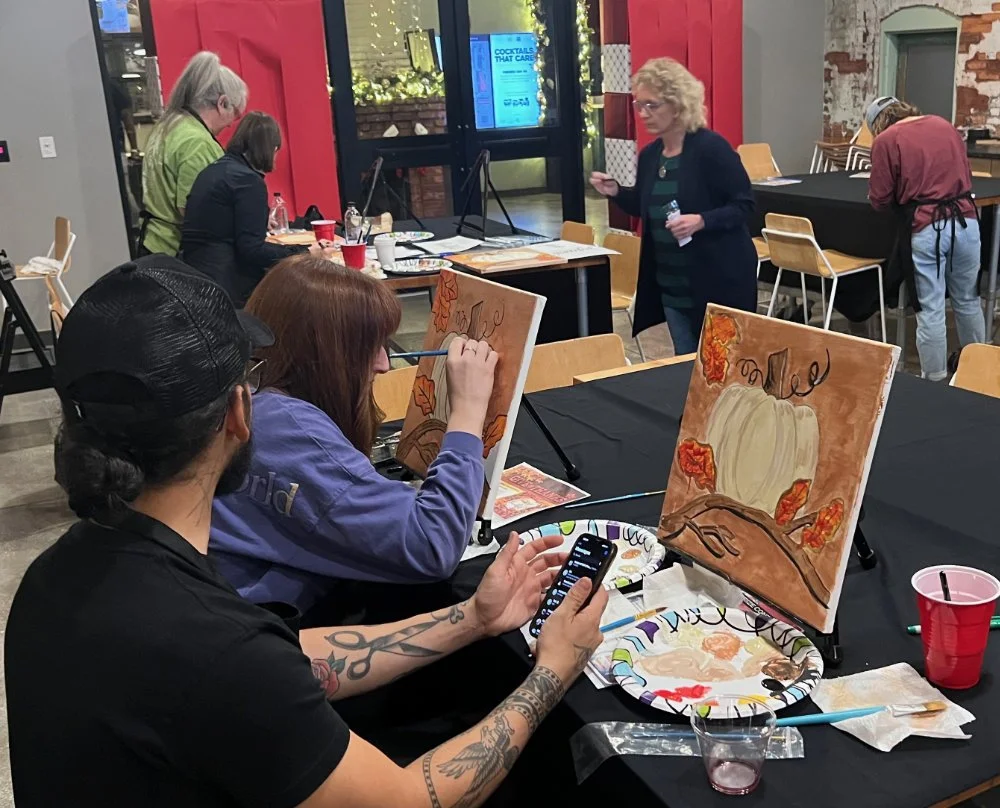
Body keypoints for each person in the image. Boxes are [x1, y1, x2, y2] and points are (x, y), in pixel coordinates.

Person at [4, 255, 606, 807]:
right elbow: (406, 800)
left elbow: (289, 658)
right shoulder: (215, 650)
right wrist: (552, 673)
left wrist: (471, 619)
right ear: (240, 415)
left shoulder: (57, 573)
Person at [209, 256, 496, 614]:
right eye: (369, 346)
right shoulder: (287, 429)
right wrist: (468, 410)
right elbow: (433, 544)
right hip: (261, 634)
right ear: (325, 354)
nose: (383, 364)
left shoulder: (246, 396)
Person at [589, 57, 757, 355]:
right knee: (684, 368)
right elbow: (644, 207)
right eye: (638, 105)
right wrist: (616, 192)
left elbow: (744, 205)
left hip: (717, 282)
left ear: (677, 105)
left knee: (719, 373)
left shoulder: (711, 149)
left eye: (652, 105)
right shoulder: (652, 155)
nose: (643, 113)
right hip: (672, 288)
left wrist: (702, 220)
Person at [867, 96, 986, 381]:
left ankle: (934, 382)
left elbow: (880, 199)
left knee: (931, 309)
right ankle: (980, 373)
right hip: (967, 221)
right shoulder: (944, 125)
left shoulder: (886, 140)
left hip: (927, 228)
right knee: (968, 300)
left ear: (879, 124)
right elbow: (965, 174)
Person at [181, 111, 335, 306]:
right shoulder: (248, 181)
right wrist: (305, 254)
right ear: (272, 149)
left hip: (197, 276)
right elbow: (252, 250)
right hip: (228, 287)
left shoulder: (215, 170)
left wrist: (257, 219)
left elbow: (218, 222)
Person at [140, 51, 248, 257]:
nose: (229, 127)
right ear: (222, 103)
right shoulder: (197, 142)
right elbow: (195, 211)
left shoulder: (168, 126)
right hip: (177, 251)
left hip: (153, 242)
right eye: (233, 117)